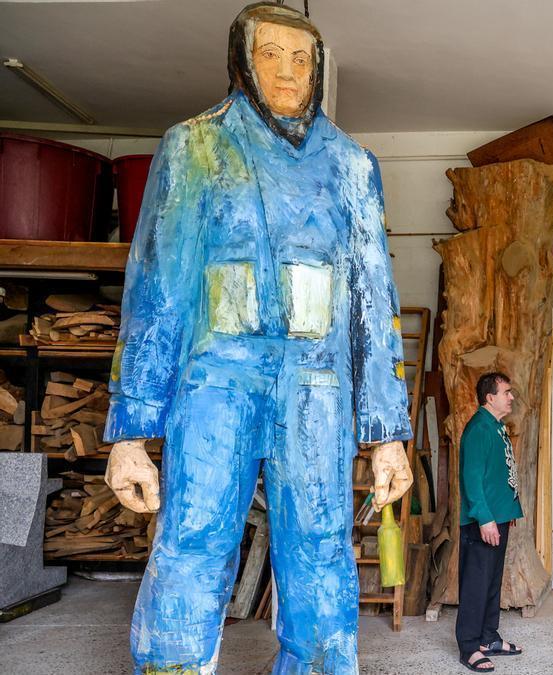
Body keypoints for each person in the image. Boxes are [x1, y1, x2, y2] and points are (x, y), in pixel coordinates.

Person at [102, 3, 413, 673]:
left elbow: (372, 302)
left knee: (323, 549)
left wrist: (388, 432)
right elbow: (157, 292)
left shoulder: (352, 166)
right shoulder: (194, 145)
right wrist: (130, 433)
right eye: (272, 54)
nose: (289, 71)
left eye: (302, 58)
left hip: (318, 391)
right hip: (216, 384)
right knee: (192, 544)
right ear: (242, 62)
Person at [456, 372, 525, 672]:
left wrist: (505, 512)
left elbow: (496, 475)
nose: (511, 397)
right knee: (475, 584)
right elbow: (472, 479)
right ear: (490, 397)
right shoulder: (478, 430)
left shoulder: (496, 427)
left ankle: (488, 638)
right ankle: (469, 646)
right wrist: (485, 519)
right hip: (481, 522)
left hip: (498, 518)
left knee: (492, 582)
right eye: (506, 392)